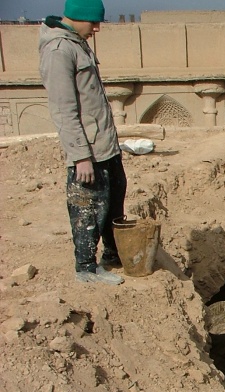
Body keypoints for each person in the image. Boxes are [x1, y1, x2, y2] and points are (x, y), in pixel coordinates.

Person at [39, 0, 127, 286]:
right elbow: (64, 110)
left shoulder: (76, 42)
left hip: (105, 147)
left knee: (113, 202)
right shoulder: (58, 50)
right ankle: (86, 268)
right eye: (93, 23)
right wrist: (80, 157)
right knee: (88, 207)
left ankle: (113, 255)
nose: (97, 29)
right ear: (77, 18)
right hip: (88, 151)